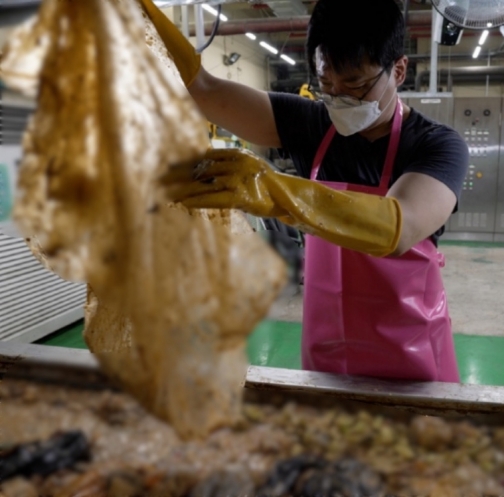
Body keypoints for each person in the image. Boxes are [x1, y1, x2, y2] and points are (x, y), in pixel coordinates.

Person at [142, 0, 469, 382]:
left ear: (398, 70)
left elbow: (397, 227)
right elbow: (203, 89)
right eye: (327, 84)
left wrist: (271, 189)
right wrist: (138, 12)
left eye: (356, 85)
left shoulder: (437, 145)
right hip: (329, 352)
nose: (339, 98)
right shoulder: (310, 126)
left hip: (412, 359)